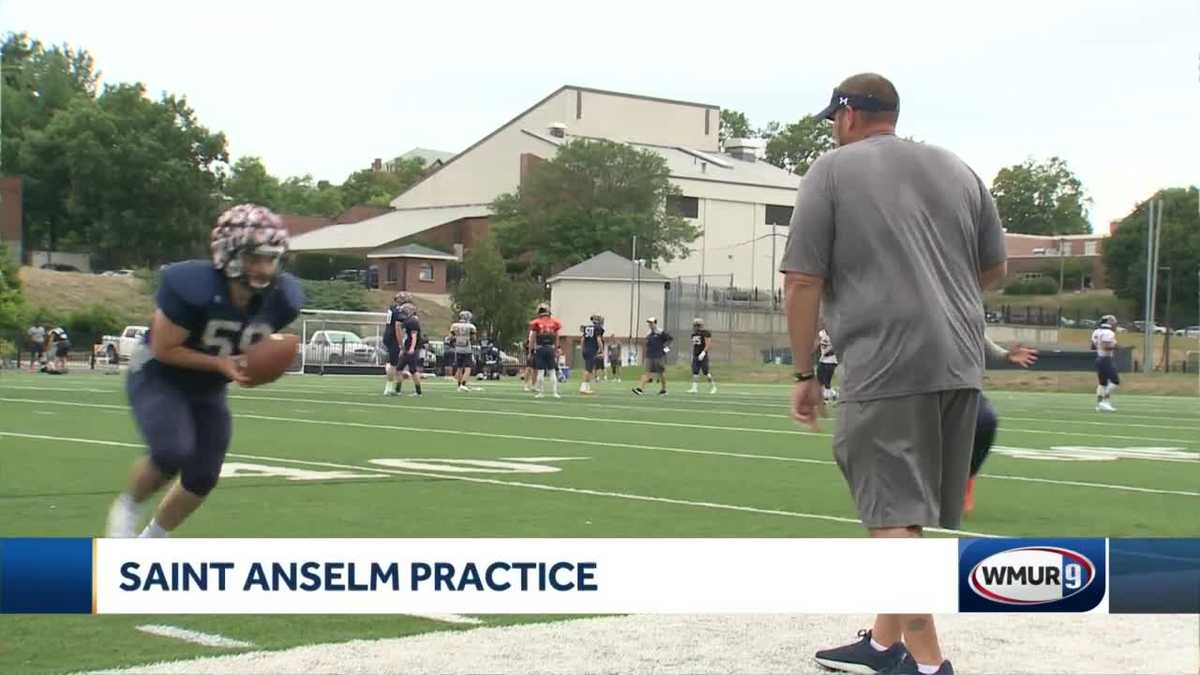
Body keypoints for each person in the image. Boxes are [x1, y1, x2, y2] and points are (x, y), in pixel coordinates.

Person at [782, 73, 1007, 675]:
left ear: (851, 115)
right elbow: (993, 268)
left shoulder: (832, 172)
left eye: (835, 117)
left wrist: (806, 372)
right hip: (960, 359)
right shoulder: (959, 168)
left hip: (888, 358)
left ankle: (929, 664)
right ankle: (883, 644)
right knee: (905, 512)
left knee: (888, 517)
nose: (833, 128)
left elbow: (802, 280)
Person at [105, 204, 303, 538]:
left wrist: (260, 363)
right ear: (229, 253)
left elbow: (252, 348)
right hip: (160, 375)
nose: (265, 268)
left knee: (203, 476)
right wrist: (220, 363)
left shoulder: (282, 299)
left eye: (271, 258)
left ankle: (152, 542)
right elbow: (164, 349)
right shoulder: (191, 285)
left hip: (209, 386)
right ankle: (127, 510)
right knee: (171, 451)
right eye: (255, 257)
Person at [964, 337, 1039, 516]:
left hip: (961, 385)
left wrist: (1005, 355)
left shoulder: (964, 310)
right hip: (915, 387)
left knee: (984, 421)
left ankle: (964, 485)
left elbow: (977, 335)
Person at [528, 303, 562, 399]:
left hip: (540, 349)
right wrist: (557, 349)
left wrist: (530, 351)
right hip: (550, 348)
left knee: (541, 372)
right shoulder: (554, 322)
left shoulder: (536, 323)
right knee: (552, 371)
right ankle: (555, 392)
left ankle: (541, 392)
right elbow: (557, 337)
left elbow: (532, 338)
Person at [382, 292, 412, 396]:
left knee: (391, 362)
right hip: (393, 337)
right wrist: (400, 343)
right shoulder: (399, 311)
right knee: (393, 364)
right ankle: (389, 388)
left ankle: (390, 386)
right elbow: (398, 327)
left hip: (387, 335)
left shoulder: (392, 308)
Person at [632, 317, 672, 396]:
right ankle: (640, 389)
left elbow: (670, 340)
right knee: (647, 373)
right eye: (649, 323)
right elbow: (647, 344)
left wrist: (665, 350)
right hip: (650, 356)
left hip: (659, 356)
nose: (650, 325)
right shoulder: (648, 334)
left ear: (655, 323)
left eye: (652, 323)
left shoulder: (660, 332)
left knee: (661, 373)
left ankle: (663, 389)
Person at [1091, 314, 1119, 412]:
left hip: (1099, 358)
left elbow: (1093, 347)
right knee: (1115, 381)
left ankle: (1099, 404)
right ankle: (1104, 401)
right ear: (1109, 323)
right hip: (1106, 359)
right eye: (1113, 323)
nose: (1115, 325)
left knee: (1102, 383)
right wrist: (1115, 346)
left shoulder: (1096, 332)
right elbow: (1106, 346)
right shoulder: (1108, 333)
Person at [398, 304, 424, 397]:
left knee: (413, 369)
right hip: (407, 347)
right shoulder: (408, 320)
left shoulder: (413, 321)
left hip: (412, 348)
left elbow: (414, 336)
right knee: (399, 368)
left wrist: (412, 348)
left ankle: (418, 391)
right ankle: (397, 390)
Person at [449, 310, 478, 392]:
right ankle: (463, 384)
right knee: (468, 368)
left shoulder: (454, 325)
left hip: (458, 348)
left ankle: (459, 385)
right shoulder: (471, 326)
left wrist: (457, 340)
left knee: (459, 367)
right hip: (467, 348)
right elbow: (474, 338)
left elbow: (450, 337)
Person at [687, 317, 716, 394]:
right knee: (695, 372)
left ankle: (713, 387)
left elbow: (708, 344)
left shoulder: (705, 333)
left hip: (703, 355)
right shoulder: (693, 334)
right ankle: (694, 388)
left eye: (696, 325)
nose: (695, 327)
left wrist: (703, 353)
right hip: (696, 355)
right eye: (694, 325)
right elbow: (695, 345)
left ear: (699, 326)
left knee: (706, 372)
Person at [579, 314, 606, 394]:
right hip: (592, 350)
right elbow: (598, 339)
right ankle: (583, 388)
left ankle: (586, 387)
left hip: (586, 350)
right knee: (588, 369)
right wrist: (601, 350)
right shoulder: (598, 328)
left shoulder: (587, 327)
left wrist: (583, 349)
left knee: (590, 369)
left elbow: (582, 339)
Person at [816, 326, 839, 403]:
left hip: (831, 361)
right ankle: (833, 393)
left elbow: (837, 348)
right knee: (819, 380)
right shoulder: (821, 333)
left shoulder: (835, 334)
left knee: (827, 380)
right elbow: (818, 343)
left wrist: (828, 352)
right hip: (822, 360)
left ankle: (826, 399)